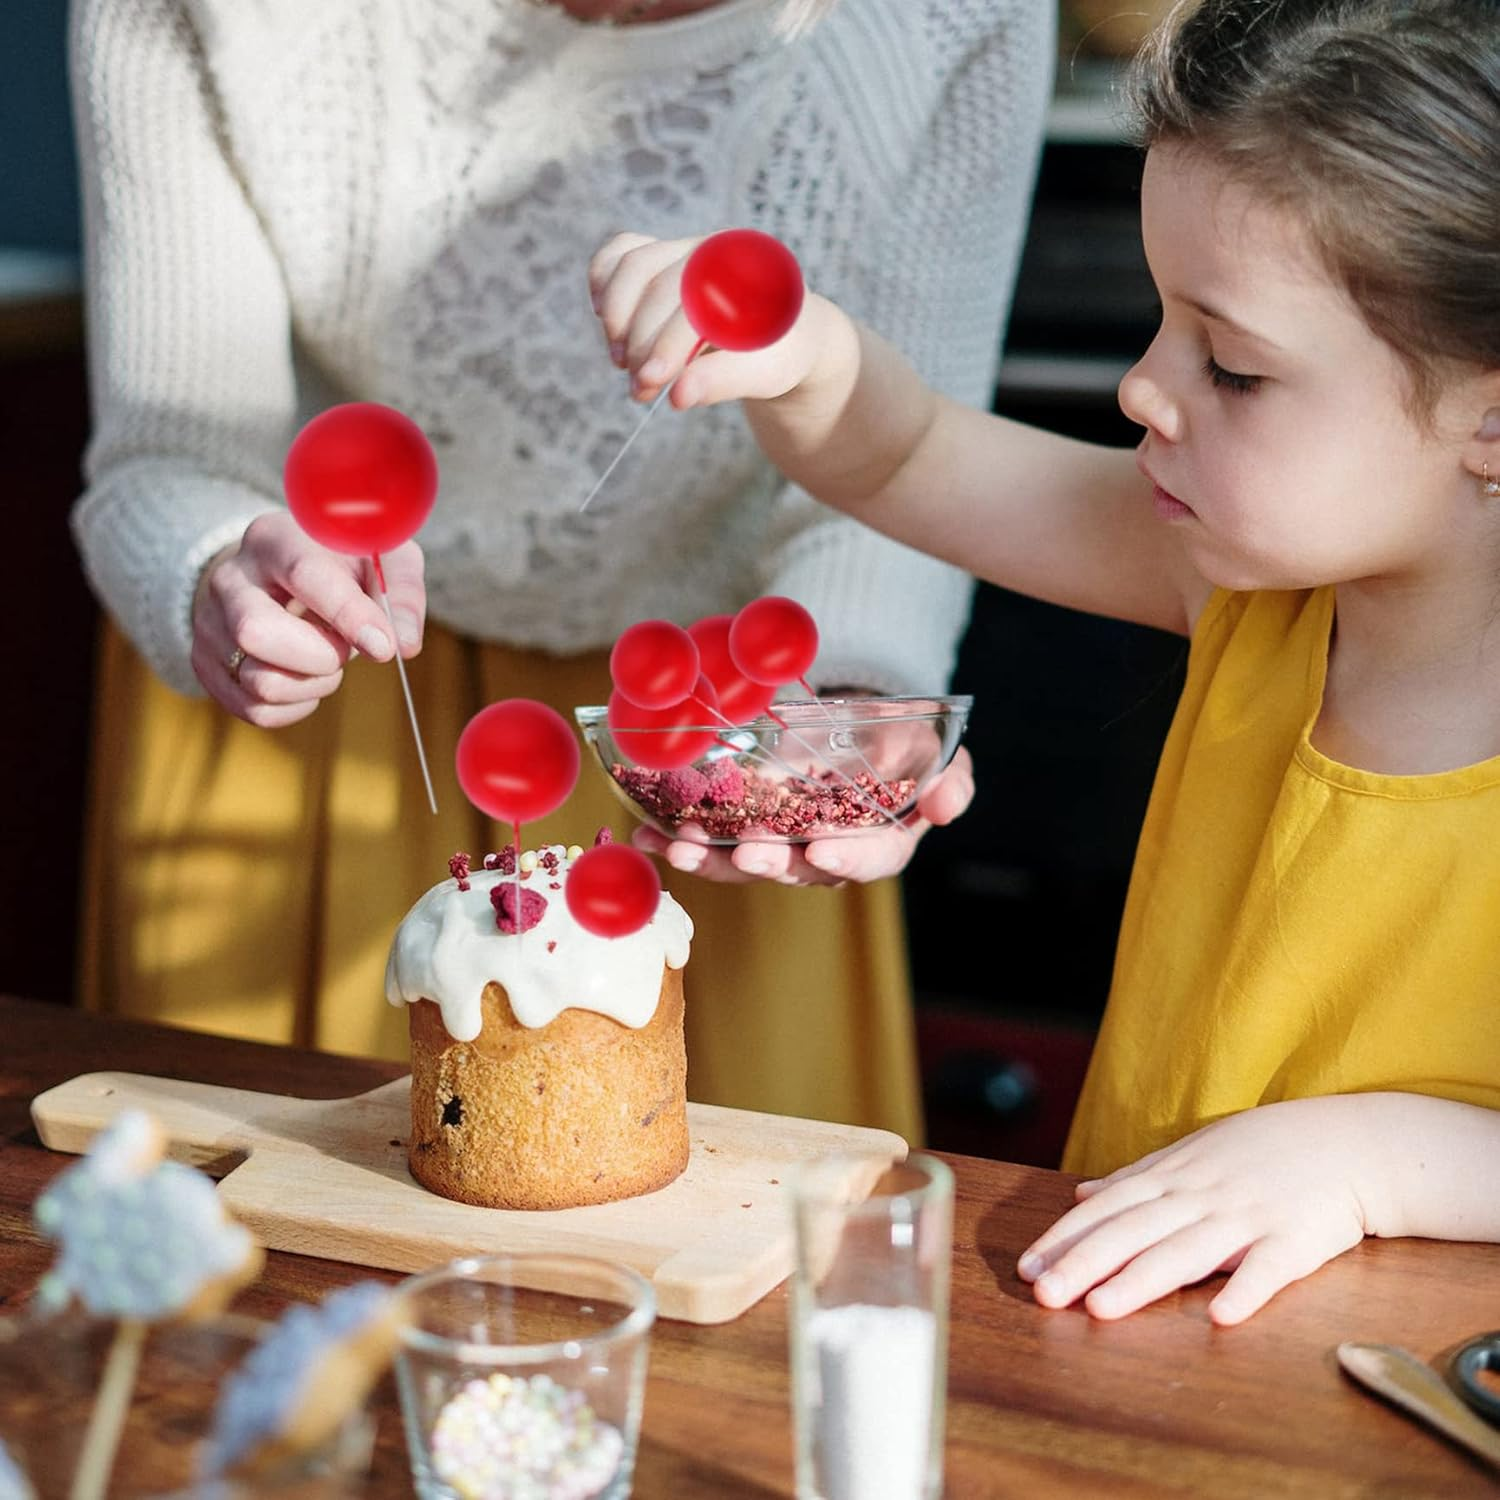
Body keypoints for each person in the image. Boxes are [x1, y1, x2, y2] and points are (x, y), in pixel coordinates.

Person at [590, 0, 1500, 1321]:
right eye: (1161, 323)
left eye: (1231, 366)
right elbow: (909, 460)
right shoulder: (1256, 596)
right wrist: (799, 359)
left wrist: (1366, 1164)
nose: (1143, 386)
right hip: (1133, 1347)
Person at [68, 0, 1052, 1139]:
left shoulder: (953, 15)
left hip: (714, 730)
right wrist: (214, 576)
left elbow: (905, 458)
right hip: (313, 714)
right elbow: (167, 458)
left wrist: (842, 713)